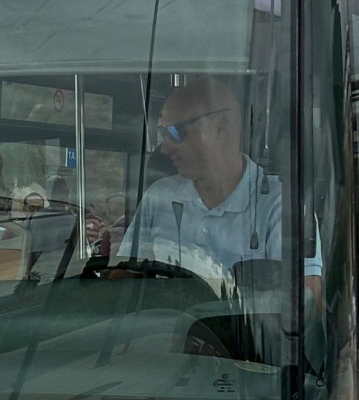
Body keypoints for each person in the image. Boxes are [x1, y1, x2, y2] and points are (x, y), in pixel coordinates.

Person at [118, 75, 316, 287]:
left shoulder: (282, 205)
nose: (165, 148)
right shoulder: (159, 197)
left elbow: (309, 298)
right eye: (162, 133)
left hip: (244, 320)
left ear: (221, 126)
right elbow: (124, 278)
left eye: (176, 133)